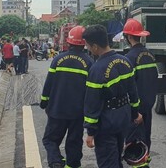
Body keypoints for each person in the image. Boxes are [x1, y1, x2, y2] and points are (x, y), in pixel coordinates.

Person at [83, 25, 142, 168]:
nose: (88, 49)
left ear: (95, 46)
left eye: (88, 46)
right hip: (123, 117)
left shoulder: (97, 70)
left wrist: (90, 132)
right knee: (116, 156)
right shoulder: (125, 61)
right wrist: (135, 113)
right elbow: (133, 92)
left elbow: (93, 103)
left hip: (106, 122)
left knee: (107, 162)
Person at [40, 26, 93, 168]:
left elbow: (49, 83)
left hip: (57, 109)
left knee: (50, 140)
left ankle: (56, 162)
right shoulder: (89, 63)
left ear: (68, 42)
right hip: (78, 112)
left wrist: (44, 102)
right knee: (74, 142)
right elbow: (91, 90)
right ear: (84, 43)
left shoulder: (58, 59)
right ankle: (72, 165)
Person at [122, 19, 158, 167]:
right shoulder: (150, 55)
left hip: (136, 108)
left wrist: (133, 110)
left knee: (134, 143)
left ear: (129, 37)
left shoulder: (129, 58)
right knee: (145, 138)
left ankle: (141, 164)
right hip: (148, 104)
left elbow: (129, 87)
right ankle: (145, 160)